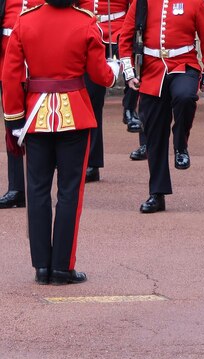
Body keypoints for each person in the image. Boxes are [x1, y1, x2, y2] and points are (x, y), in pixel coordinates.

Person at [2, 0, 117, 284]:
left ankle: (42, 267)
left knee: (37, 189)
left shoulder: (26, 20)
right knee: (69, 192)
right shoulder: (86, 21)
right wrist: (113, 71)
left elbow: (11, 74)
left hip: (36, 117)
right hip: (75, 116)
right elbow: (100, 75)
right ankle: (62, 267)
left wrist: (14, 120)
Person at [118, 0, 204, 213]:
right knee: (154, 133)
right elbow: (125, 36)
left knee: (185, 97)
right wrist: (129, 72)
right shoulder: (141, 2)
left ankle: (180, 144)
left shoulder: (195, 3)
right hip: (152, 70)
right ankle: (157, 193)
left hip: (184, 64)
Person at [82, 0, 140, 182]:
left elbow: (137, 7)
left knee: (137, 71)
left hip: (119, 30)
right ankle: (92, 163)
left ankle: (129, 110)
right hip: (88, 31)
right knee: (91, 99)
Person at [0, 0, 45, 209]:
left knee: (41, 126)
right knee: (12, 123)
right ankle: (17, 188)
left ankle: (38, 185)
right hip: (8, 63)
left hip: (40, 62)